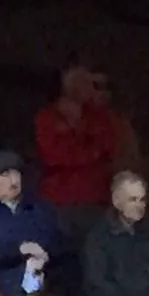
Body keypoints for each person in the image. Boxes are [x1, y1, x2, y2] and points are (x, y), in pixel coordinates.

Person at [35, 60, 119, 231]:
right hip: (58, 201)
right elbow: (52, 156)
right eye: (81, 81)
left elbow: (108, 146)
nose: (88, 86)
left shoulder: (100, 116)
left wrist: (82, 148)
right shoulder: (46, 117)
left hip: (95, 198)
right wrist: (88, 152)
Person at [0, 153, 61, 295]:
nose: (13, 181)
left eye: (16, 173)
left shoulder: (36, 206)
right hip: (2, 286)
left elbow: (51, 238)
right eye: (6, 174)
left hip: (41, 282)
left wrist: (41, 254)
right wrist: (19, 248)